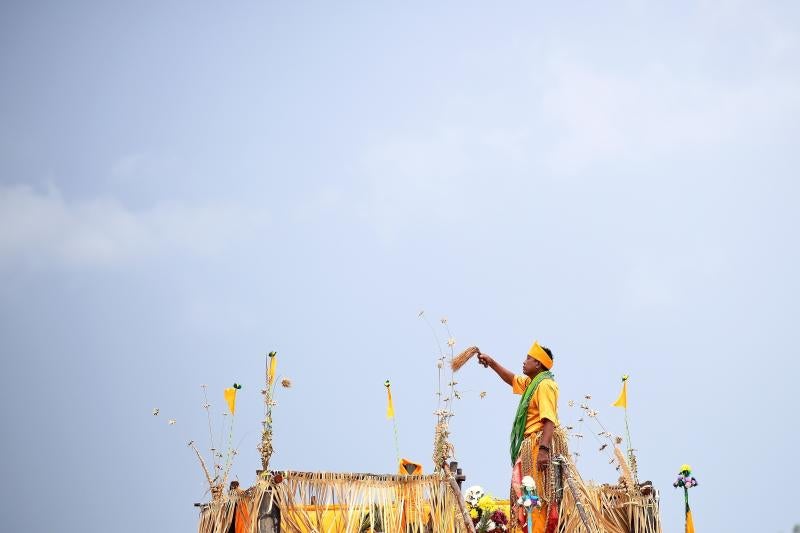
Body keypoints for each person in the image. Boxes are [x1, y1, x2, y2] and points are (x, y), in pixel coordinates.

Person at [477, 341, 559, 533]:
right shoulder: (532, 384)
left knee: (536, 496)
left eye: (528, 358)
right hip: (529, 447)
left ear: (538, 364)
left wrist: (543, 450)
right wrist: (491, 362)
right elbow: (512, 379)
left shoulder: (545, 385)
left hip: (538, 447)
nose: (524, 361)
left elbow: (549, 420)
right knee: (524, 496)